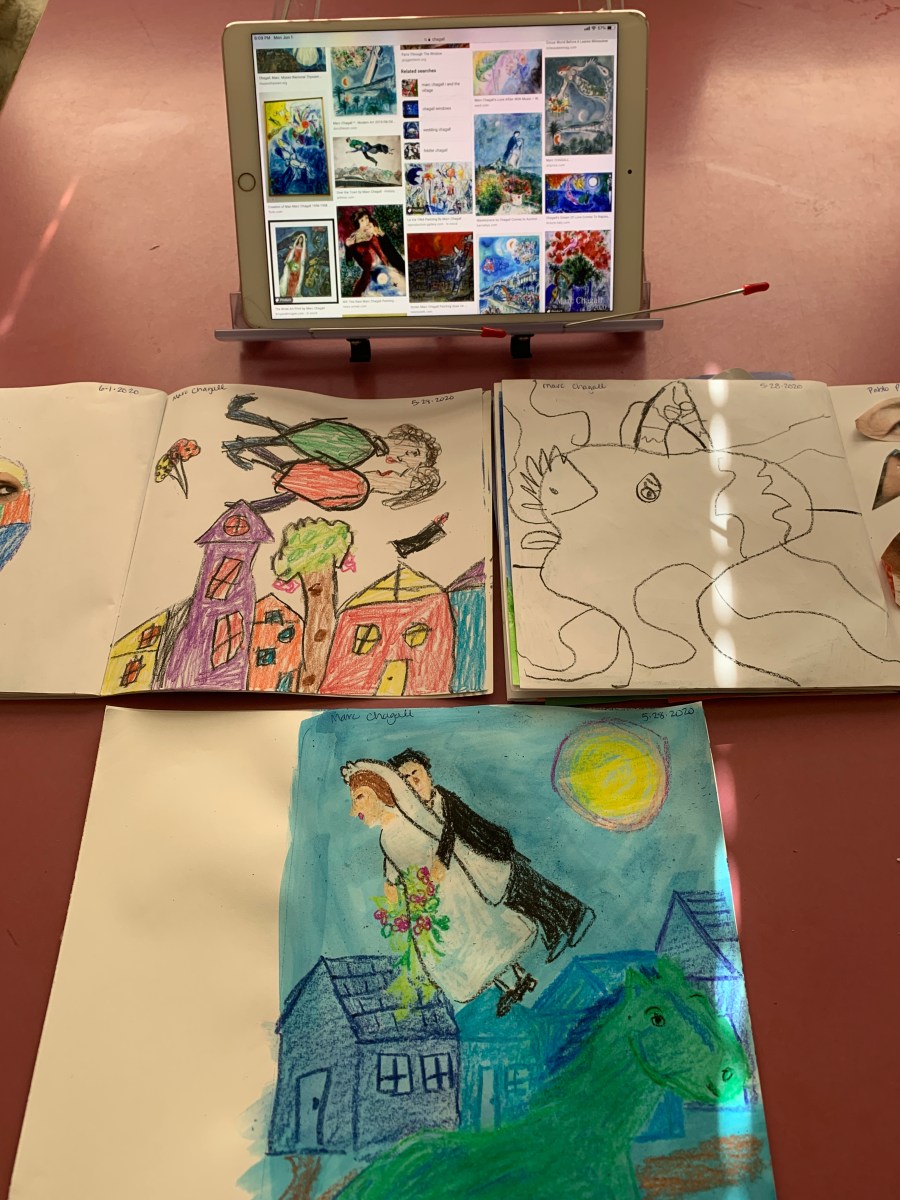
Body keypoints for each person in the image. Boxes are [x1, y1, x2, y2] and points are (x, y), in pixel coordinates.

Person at [344, 761, 537, 1013]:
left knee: (479, 936)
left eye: (359, 797)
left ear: (377, 792)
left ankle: (518, 978)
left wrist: (440, 863)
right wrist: (391, 885)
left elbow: (444, 833)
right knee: (457, 949)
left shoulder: (411, 816)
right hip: (424, 901)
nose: (355, 809)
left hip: (449, 889)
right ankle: (510, 985)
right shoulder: (385, 837)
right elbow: (395, 864)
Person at [388, 749, 594, 972]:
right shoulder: (418, 815)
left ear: (427, 773)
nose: (414, 781)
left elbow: (449, 830)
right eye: (405, 778)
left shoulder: (443, 798)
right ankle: (554, 929)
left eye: (415, 773)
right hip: (476, 866)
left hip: (490, 852)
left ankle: (575, 914)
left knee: (528, 888)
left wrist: (441, 859)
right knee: (515, 900)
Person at [343, 209, 406, 297]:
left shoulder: (377, 233)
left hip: (389, 271)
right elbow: (350, 264)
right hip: (371, 277)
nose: (366, 222)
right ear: (358, 224)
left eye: (366, 218)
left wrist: (380, 235)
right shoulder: (354, 241)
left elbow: (393, 253)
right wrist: (347, 247)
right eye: (362, 220)